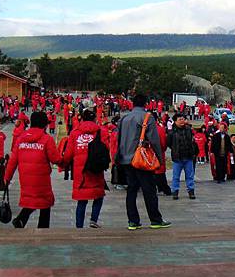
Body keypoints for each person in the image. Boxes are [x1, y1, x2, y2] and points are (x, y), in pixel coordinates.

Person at [116, 94, 171, 230]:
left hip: (125, 159)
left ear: (132, 104)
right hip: (141, 159)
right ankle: (155, 219)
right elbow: (154, 139)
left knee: (131, 190)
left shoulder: (124, 118)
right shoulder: (147, 117)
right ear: (145, 104)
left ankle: (133, 221)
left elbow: (119, 139)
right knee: (149, 190)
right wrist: (159, 157)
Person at [5, 111, 62, 228]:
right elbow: (55, 159)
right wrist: (65, 160)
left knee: (31, 198)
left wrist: (6, 178)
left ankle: (21, 220)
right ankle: (42, 228)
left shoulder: (21, 138)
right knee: (44, 202)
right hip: (42, 178)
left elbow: (12, 161)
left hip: (25, 177)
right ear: (45, 124)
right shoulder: (47, 139)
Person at [62, 109, 107, 228]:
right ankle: (94, 219)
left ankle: (79, 226)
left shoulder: (75, 133)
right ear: (94, 119)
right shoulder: (100, 131)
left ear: (82, 119)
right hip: (95, 168)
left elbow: (68, 153)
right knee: (98, 195)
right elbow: (106, 149)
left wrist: (63, 164)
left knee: (82, 200)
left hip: (80, 171)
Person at [167, 113, 197, 200]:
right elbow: (169, 143)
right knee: (176, 176)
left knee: (190, 176)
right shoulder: (172, 132)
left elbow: (192, 141)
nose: (182, 121)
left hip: (188, 157)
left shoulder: (188, 130)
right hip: (177, 158)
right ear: (175, 121)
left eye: (183, 119)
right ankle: (175, 192)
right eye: (180, 119)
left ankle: (191, 191)